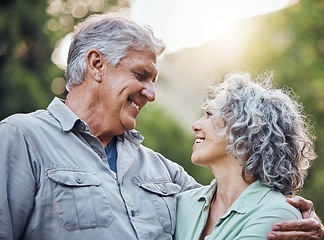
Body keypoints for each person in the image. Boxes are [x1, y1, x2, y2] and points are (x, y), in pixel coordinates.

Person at [0, 13, 322, 240]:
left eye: (153, 81)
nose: (151, 94)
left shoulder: (164, 174)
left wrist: (304, 221)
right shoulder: (22, 139)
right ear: (96, 65)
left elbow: (235, 206)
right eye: (141, 76)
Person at [174, 71, 321, 239]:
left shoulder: (278, 214)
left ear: (244, 132)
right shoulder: (182, 203)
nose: (195, 125)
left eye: (209, 114)